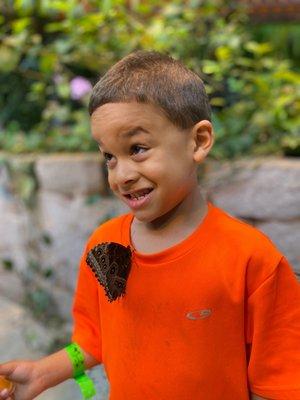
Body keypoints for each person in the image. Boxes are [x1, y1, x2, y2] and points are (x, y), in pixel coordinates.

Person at [0, 50, 299, 400]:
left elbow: (281, 383)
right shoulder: (104, 246)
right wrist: (43, 373)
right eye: (109, 156)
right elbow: (96, 339)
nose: (122, 174)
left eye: (138, 148)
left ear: (198, 141)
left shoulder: (251, 259)